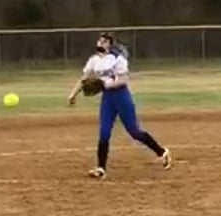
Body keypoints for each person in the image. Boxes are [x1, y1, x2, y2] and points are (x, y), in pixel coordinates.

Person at [67, 31, 171, 179]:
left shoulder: (117, 59)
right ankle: (101, 168)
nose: (101, 43)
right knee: (104, 133)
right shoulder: (93, 60)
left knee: (134, 131)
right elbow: (84, 79)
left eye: (104, 41)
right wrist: (73, 94)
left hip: (121, 96)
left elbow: (123, 80)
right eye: (100, 40)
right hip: (107, 99)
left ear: (110, 44)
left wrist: (106, 85)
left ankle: (162, 152)